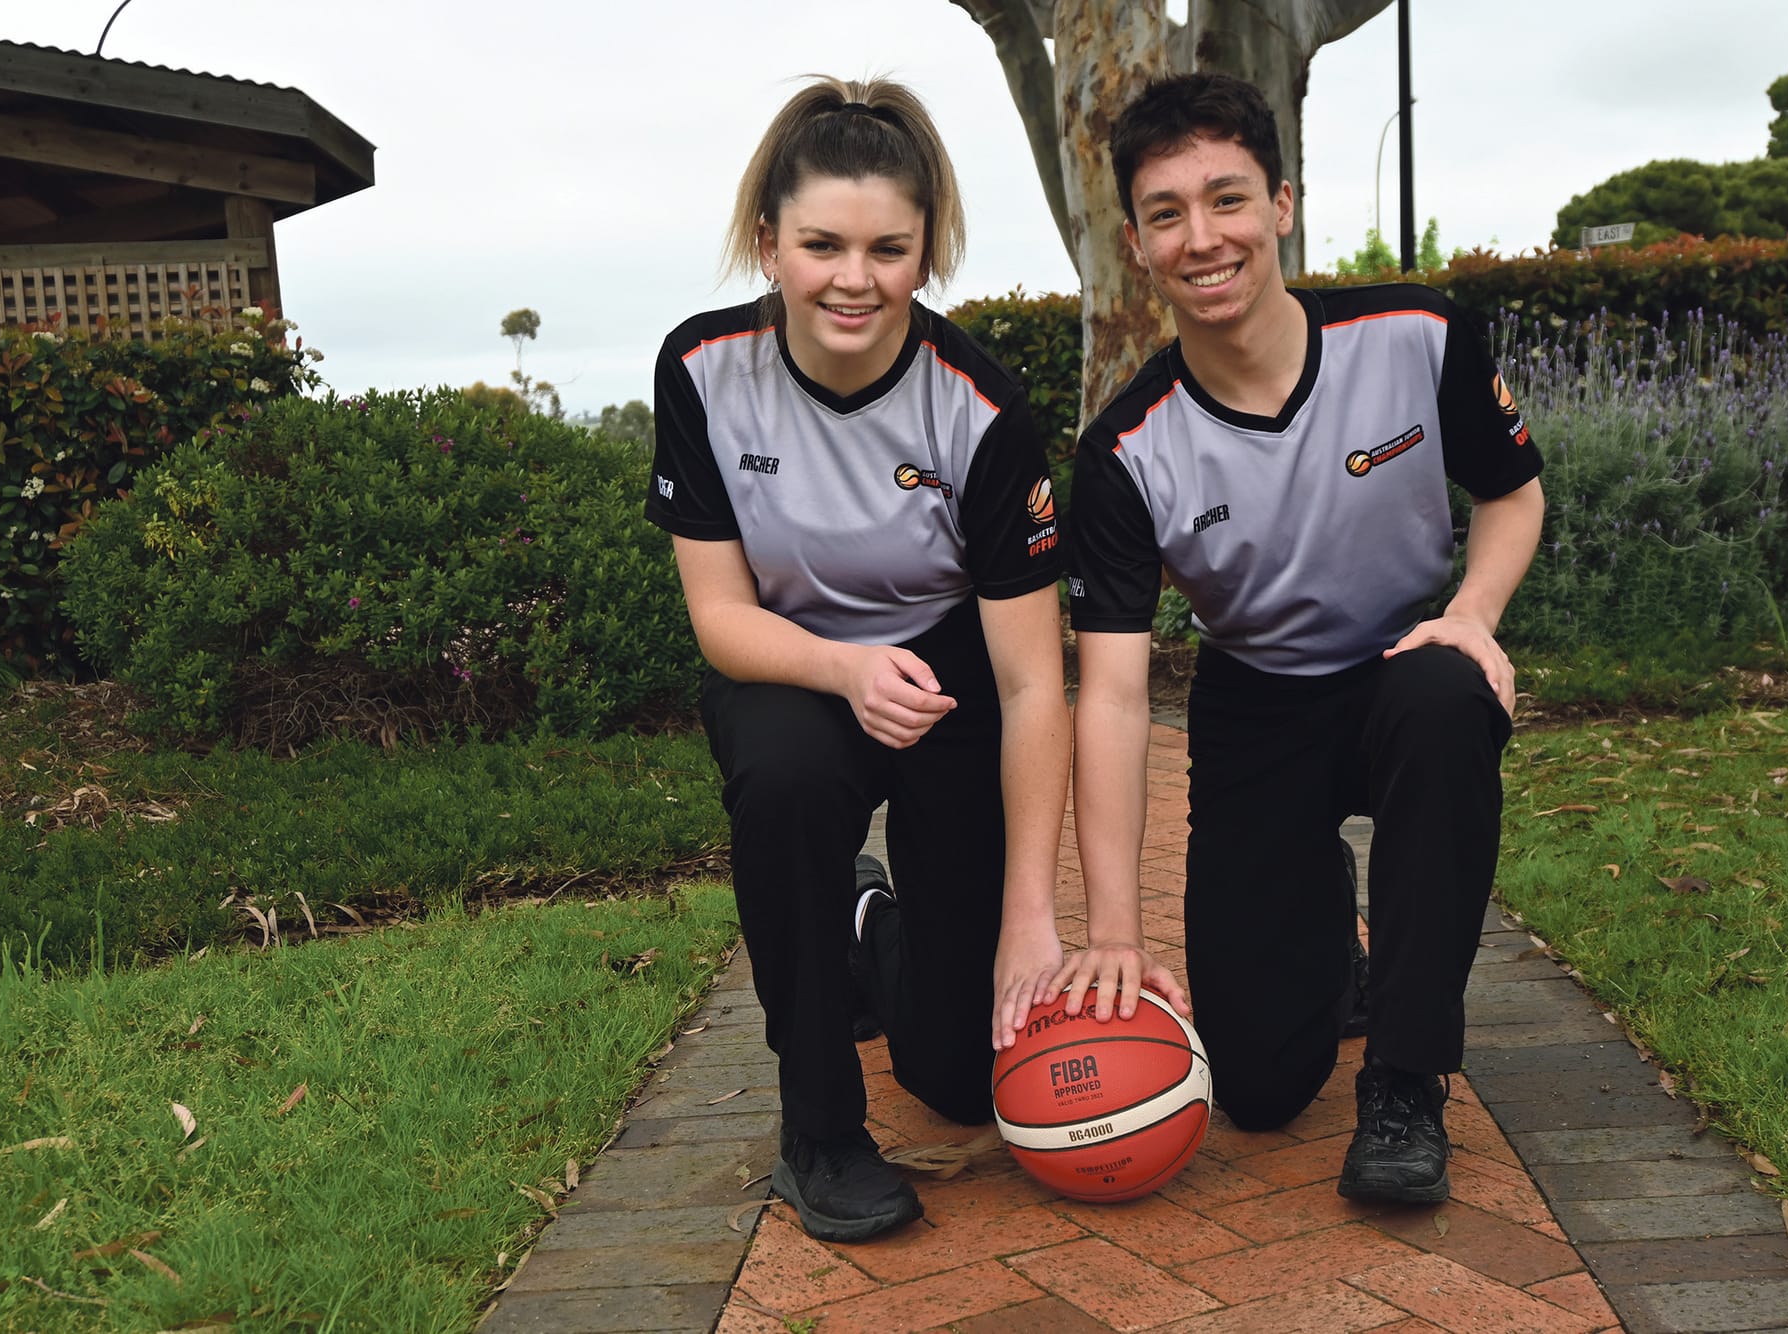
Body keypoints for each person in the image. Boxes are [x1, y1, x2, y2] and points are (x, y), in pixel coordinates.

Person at [1066, 72, 1546, 1205]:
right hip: (1257, 700)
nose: (1203, 237)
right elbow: (1114, 695)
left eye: (1226, 199)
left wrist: (1470, 615)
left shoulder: (1415, 335)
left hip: (1401, 663)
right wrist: (1116, 935)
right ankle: (1319, 917)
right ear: (1137, 245)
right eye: (1167, 214)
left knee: (1443, 701)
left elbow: (1513, 490)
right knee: (1260, 1088)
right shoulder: (1127, 450)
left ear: (1281, 203)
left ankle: (1405, 1078)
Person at [646, 76, 1078, 1243]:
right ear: (766, 242)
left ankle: (865, 928)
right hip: (788, 659)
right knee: (785, 784)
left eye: (887, 247)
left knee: (952, 1073)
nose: (854, 277)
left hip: (947, 670)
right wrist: (841, 670)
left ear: (924, 248)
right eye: (821, 244)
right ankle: (819, 1130)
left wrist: (1032, 917)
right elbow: (716, 615)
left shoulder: (981, 406)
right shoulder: (699, 369)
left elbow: (1036, 681)